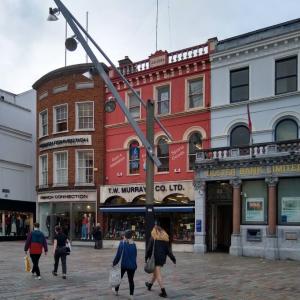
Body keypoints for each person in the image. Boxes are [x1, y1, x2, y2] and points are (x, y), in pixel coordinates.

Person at [145, 225, 176, 298]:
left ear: (155, 231)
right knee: (155, 273)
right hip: (162, 259)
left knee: (158, 274)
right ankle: (149, 285)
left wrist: (146, 258)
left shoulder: (153, 238)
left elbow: (149, 249)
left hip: (155, 258)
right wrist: (173, 259)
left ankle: (163, 292)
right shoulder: (165, 239)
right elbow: (168, 251)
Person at [112, 230, 137, 300]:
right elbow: (135, 255)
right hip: (132, 265)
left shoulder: (122, 243)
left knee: (119, 278)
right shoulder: (134, 244)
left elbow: (118, 255)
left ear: (125, 236)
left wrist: (114, 263)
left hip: (123, 264)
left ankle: (116, 291)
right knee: (131, 280)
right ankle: (131, 295)